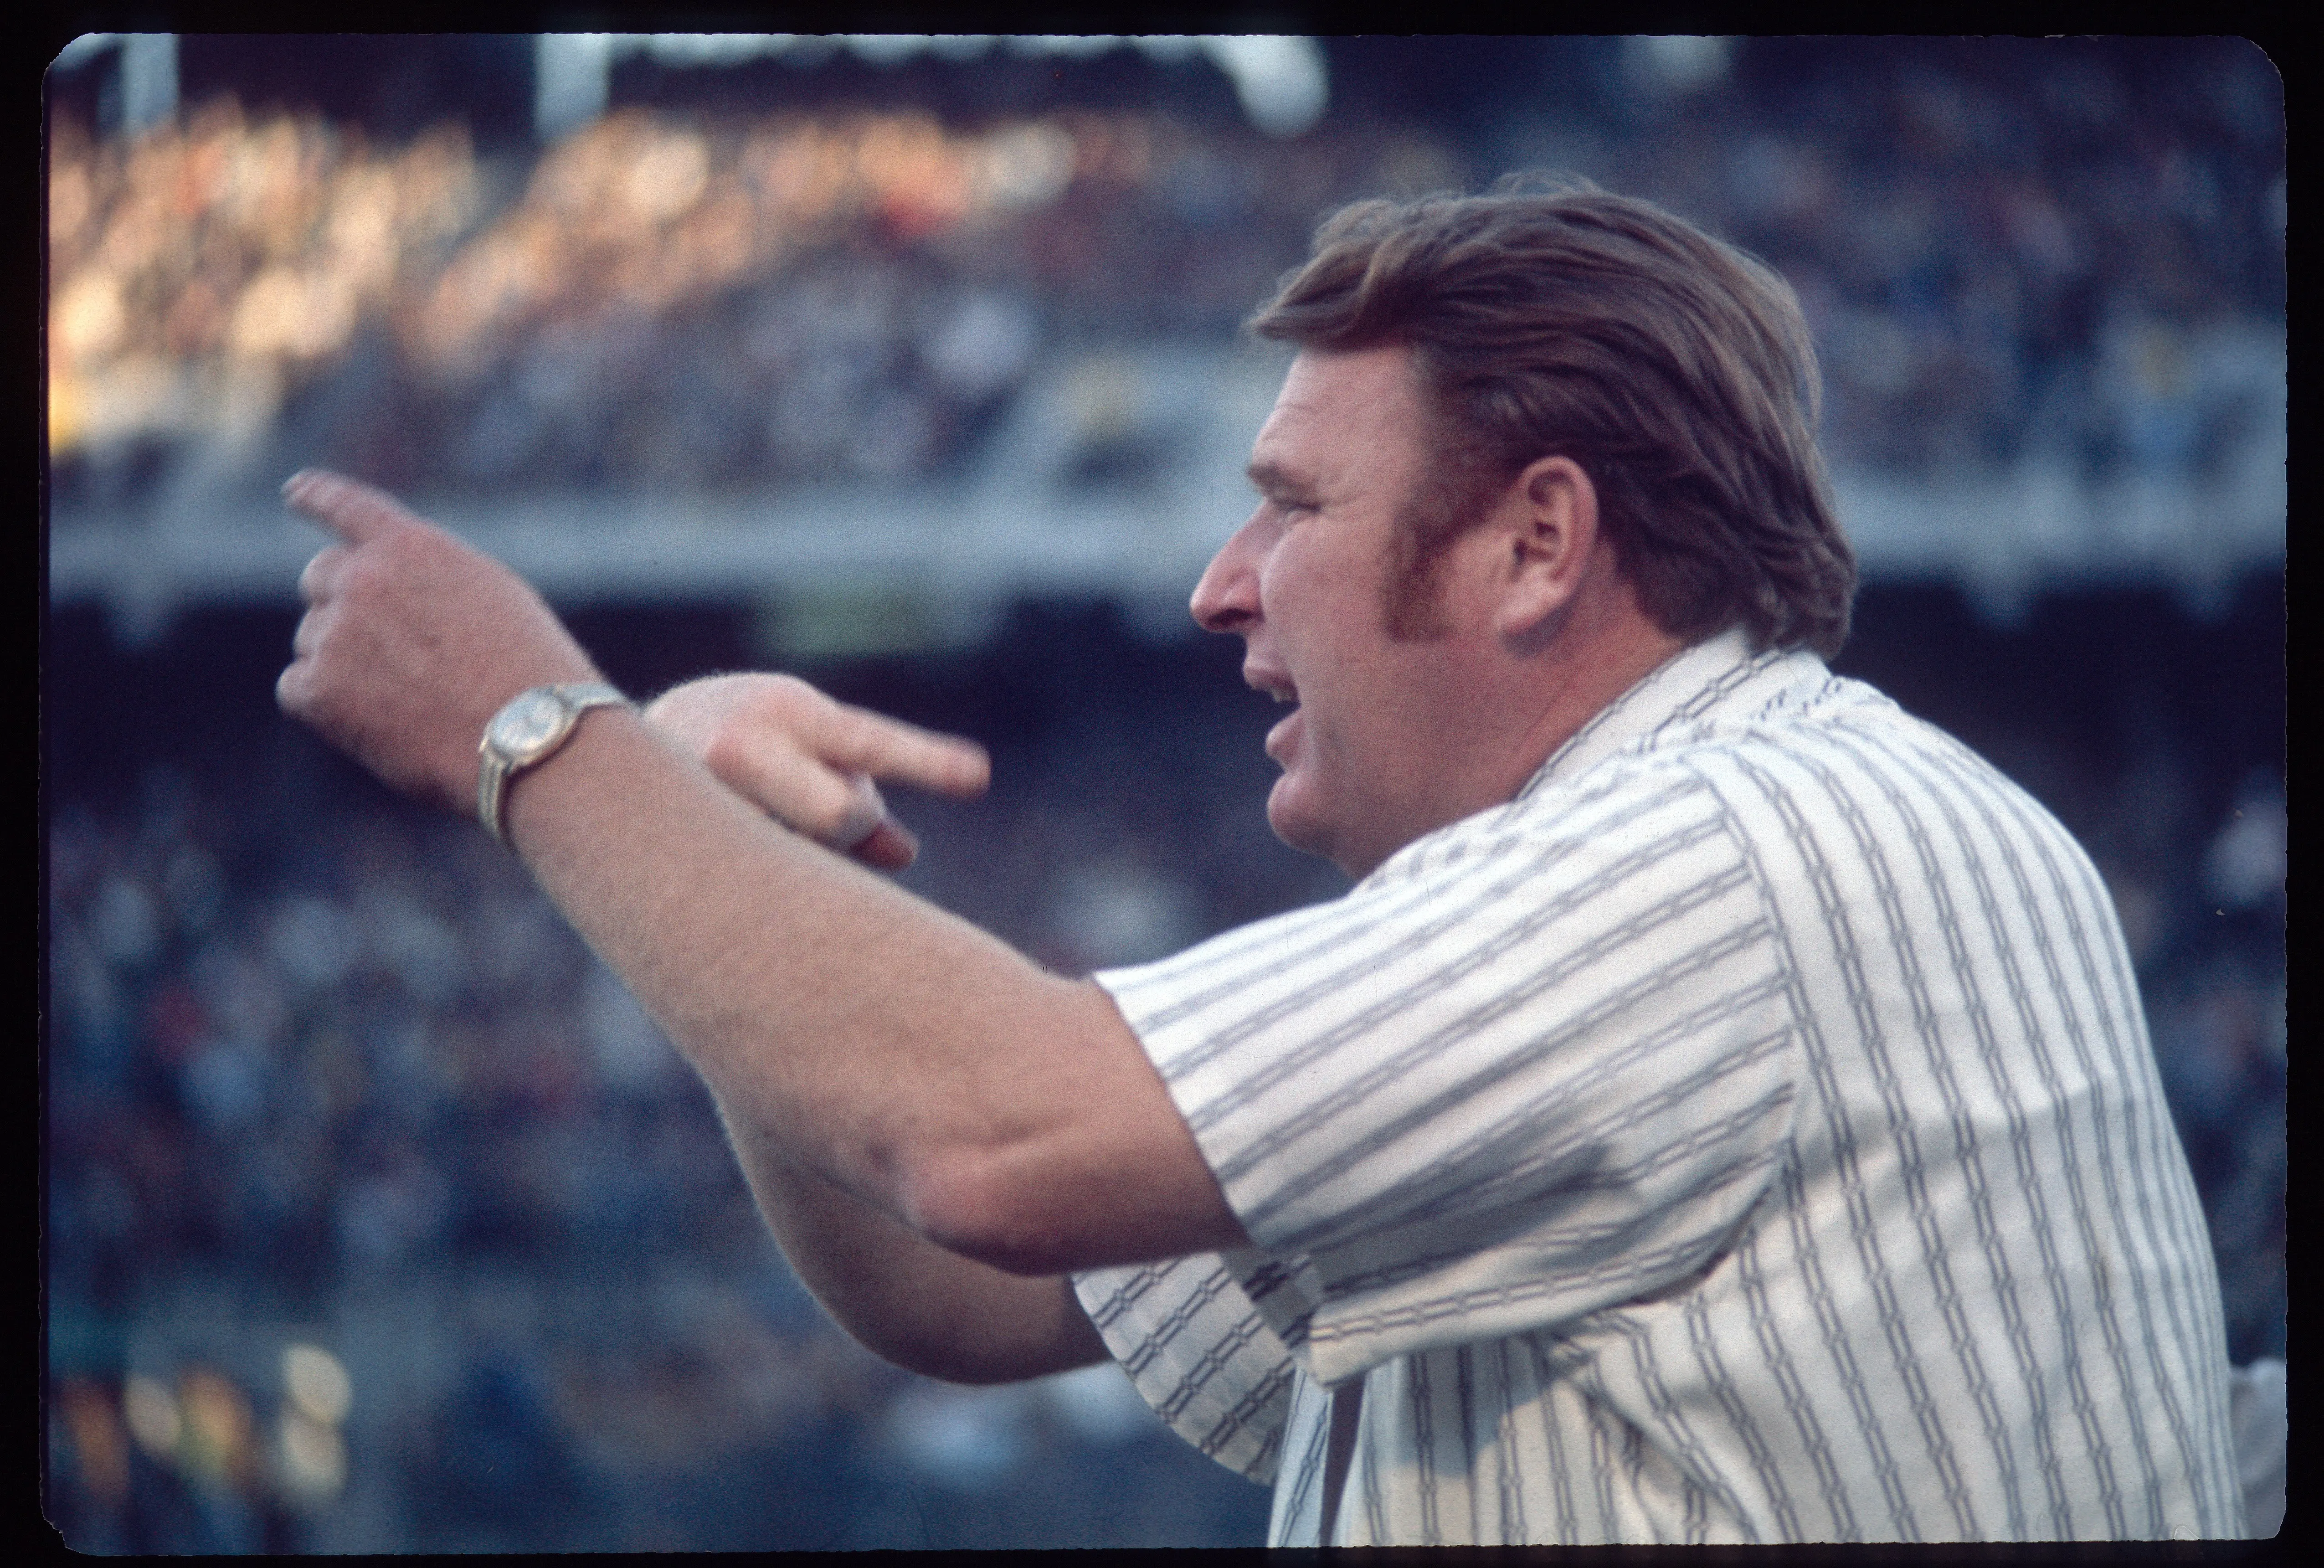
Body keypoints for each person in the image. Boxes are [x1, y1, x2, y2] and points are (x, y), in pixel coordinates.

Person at [275, 177, 2246, 1543]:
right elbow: (957, 1293)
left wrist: (532, 728)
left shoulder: (1735, 849)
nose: (1222, 586)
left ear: (1538, 543)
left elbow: (983, 1139)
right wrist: (703, 847)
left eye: (1290, 504)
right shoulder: (1688, 847)